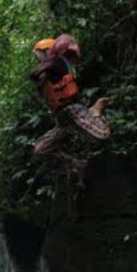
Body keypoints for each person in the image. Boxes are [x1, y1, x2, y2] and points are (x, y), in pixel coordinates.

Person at [30, 34, 111, 171]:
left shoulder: (57, 62)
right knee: (41, 149)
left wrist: (43, 63)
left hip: (72, 111)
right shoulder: (51, 69)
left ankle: (95, 112)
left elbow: (33, 74)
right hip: (63, 119)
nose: (38, 59)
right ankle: (78, 164)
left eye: (39, 54)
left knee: (103, 134)